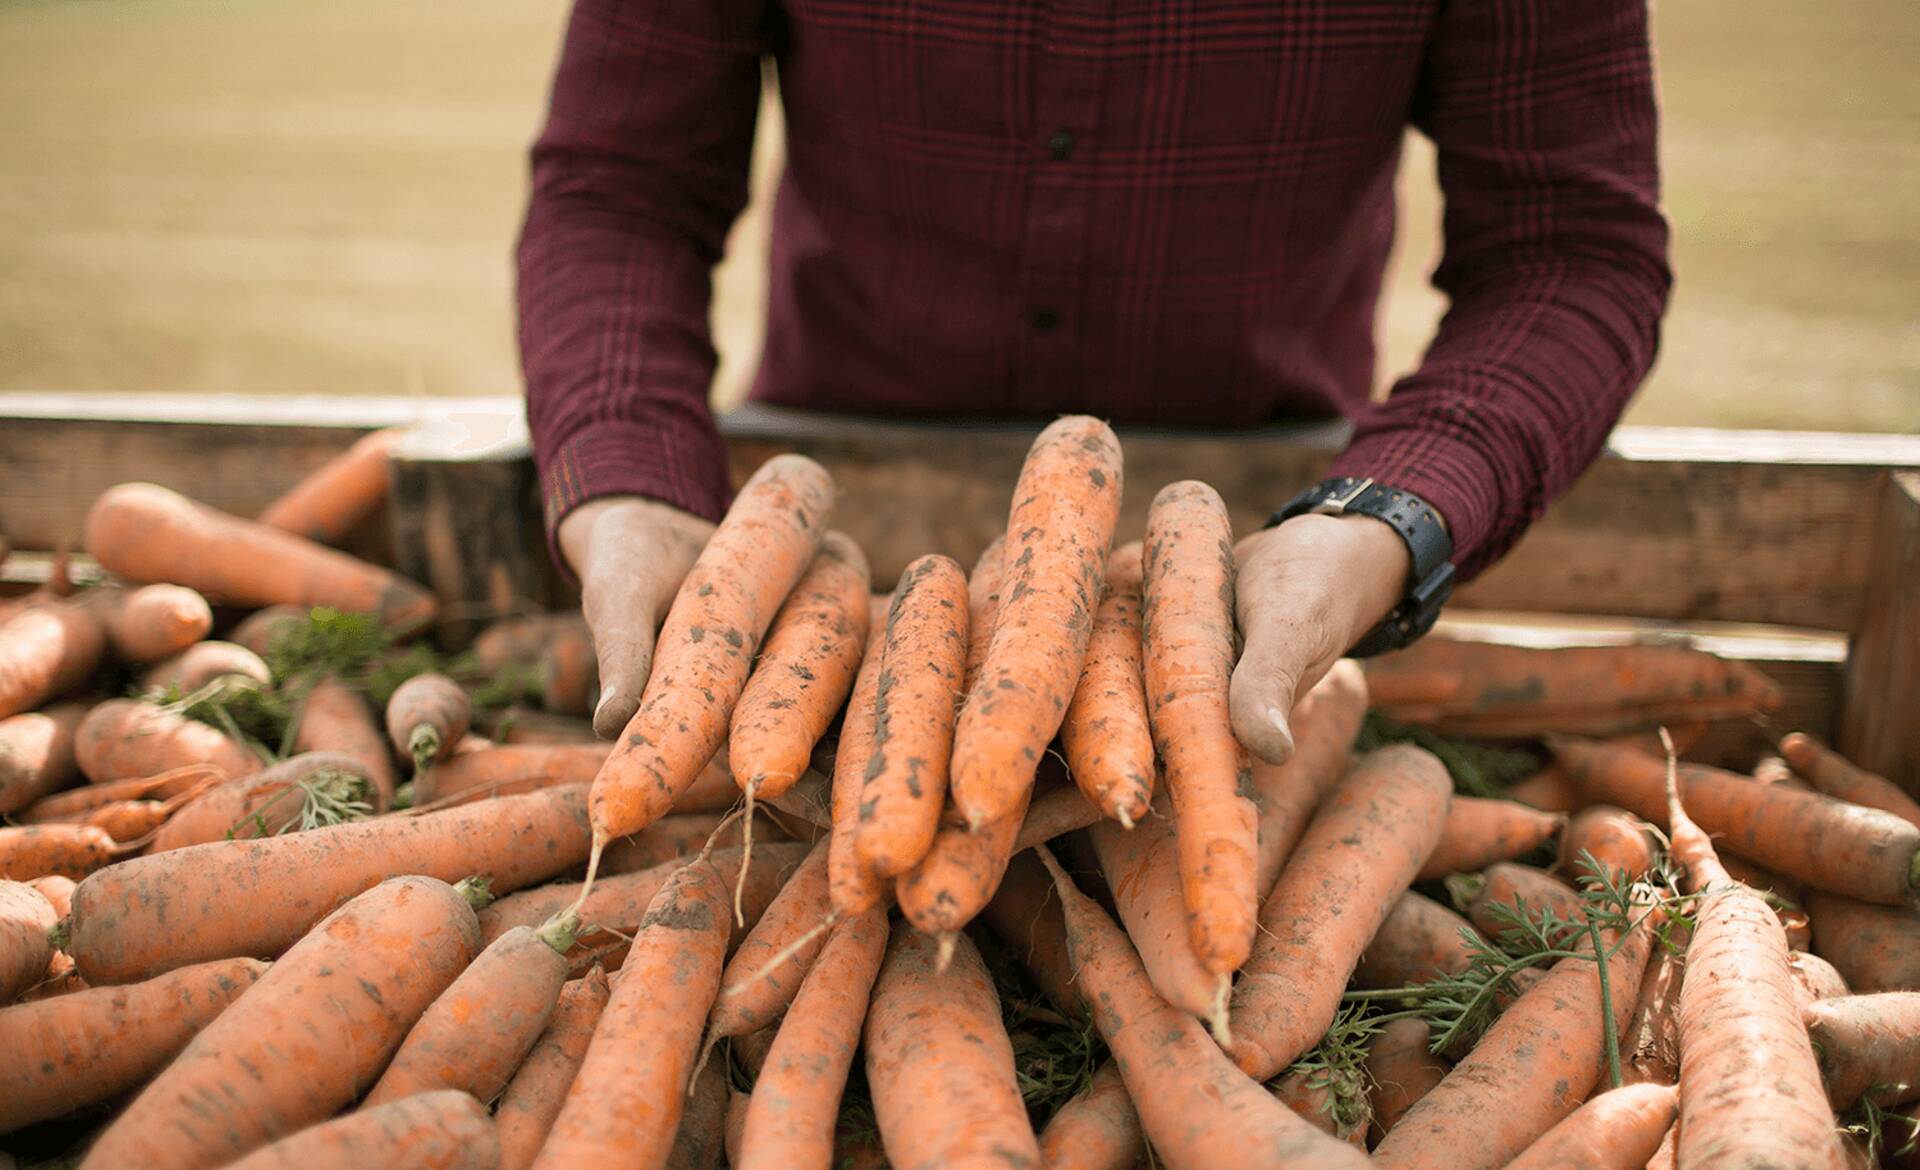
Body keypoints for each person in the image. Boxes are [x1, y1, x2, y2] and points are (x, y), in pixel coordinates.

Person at [517, 0, 1670, 761]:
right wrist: (633, 483)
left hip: (1259, 588)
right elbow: (622, 191)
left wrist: (1381, 520)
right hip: (825, 604)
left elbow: (1569, 252)